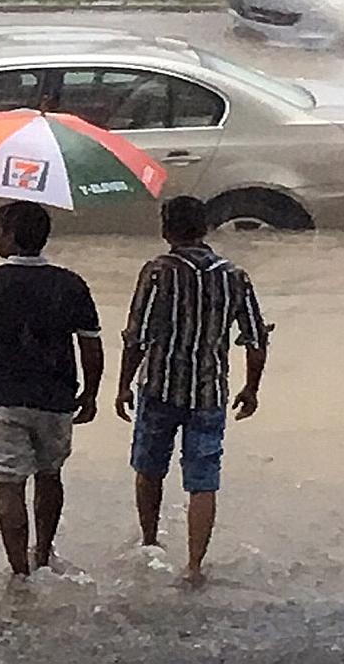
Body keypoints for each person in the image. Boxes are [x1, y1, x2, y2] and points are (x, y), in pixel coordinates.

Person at [115, 196, 269, 586]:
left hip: (159, 387)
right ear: (204, 228)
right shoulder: (234, 274)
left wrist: (121, 387)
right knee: (203, 479)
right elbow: (254, 339)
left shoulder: (157, 272)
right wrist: (251, 389)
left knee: (149, 468)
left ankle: (149, 542)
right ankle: (195, 565)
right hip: (210, 392)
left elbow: (137, 335)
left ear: (167, 229)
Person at [0, 201, 103, 576]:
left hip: (2, 397)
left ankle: (19, 572)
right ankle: (44, 554)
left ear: (8, 236)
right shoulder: (70, 283)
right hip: (55, 397)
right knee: (50, 474)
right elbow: (91, 344)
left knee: (9, 484)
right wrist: (90, 393)